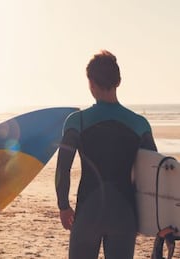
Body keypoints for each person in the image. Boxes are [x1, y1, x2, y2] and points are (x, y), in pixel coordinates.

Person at [55, 50, 157, 259]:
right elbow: (154, 175)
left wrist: (64, 206)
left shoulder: (77, 121)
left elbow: (62, 168)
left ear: (90, 83)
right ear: (119, 81)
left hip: (87, 213)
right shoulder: (139, 124)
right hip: (124, 214)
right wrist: (154, 219)